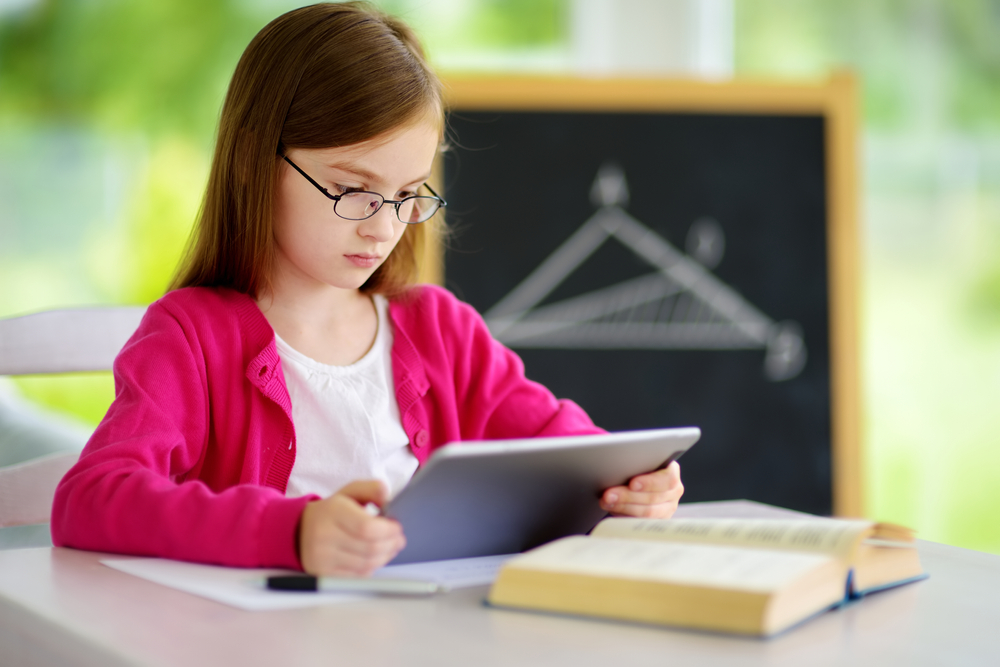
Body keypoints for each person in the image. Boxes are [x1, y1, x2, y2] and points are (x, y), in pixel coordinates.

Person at [51, 2, 683, 576]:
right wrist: (293, 532)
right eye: (353, 190)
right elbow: (90, 499)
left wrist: (627, 484)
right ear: (256, 160)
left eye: (407, 195)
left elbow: (561, 445)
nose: (383, 227)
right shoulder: (191, 337)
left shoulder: (440, 330)